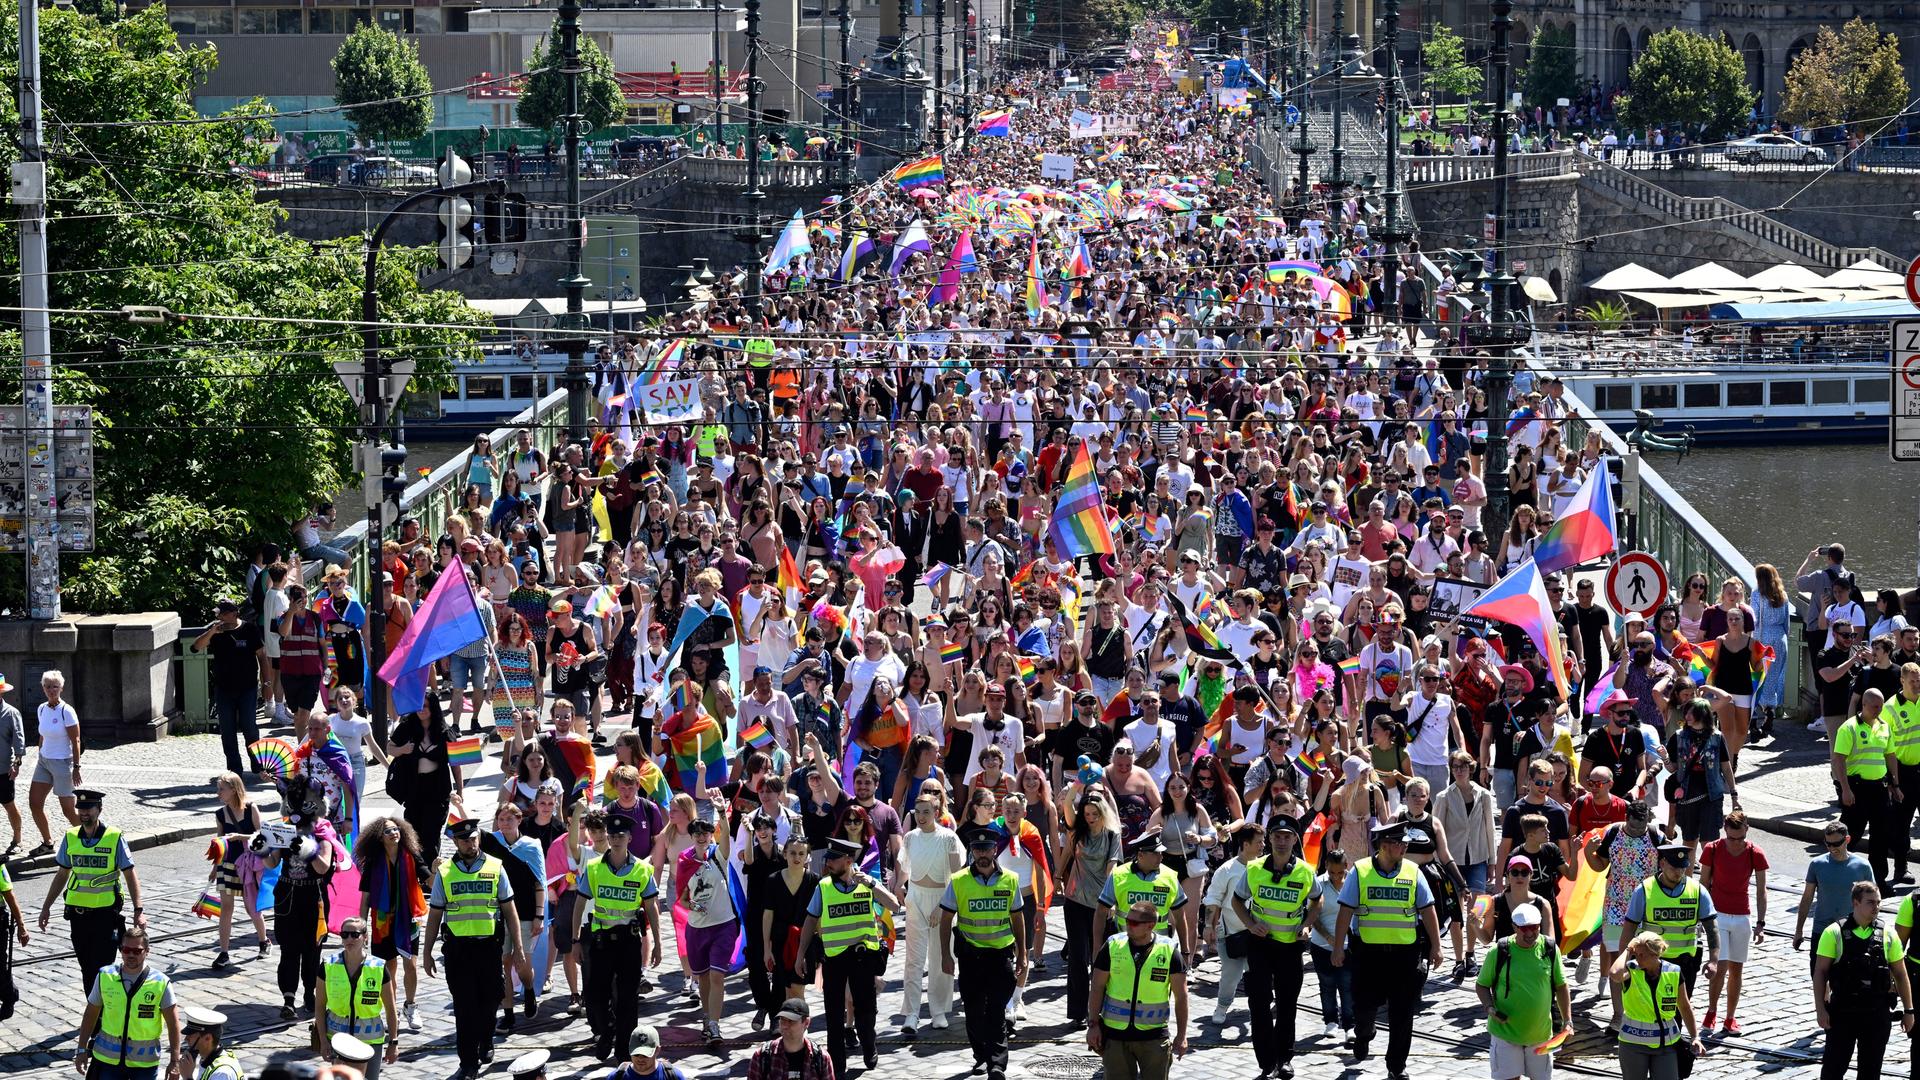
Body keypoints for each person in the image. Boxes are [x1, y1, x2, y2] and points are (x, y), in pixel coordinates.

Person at [1332, 820, 1445, 1080]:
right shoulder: (1360, 871)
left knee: (1403, 1013)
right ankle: (1364, 1033)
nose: (1404, 847)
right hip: (1367, 954)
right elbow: (1345, 912)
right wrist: (1339, 947)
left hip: (1404, 955)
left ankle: (1396, 1066)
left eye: (1406, 843)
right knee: (1363, 1007)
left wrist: (1436, 947)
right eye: (1399, 843)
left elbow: (1428, 911)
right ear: (1384, 846)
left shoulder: (1413, 872)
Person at [423, 818, 523, 1079]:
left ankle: (486, 1038)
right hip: (458, 951)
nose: (471, 843)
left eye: (474, 838)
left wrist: (519, 948)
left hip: (489, 949)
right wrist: (427, 952)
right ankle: (467, 1063)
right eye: (465, 839)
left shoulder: (495, 866)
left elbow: (509, 909)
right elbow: (434, 915)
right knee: (465, 1007)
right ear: (455, 842)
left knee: (491, 1000)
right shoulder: (445, 872)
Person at [794, 835, 900, 1078]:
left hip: (864, 959)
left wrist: (873, 885)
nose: (828, 863)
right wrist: (801, 954)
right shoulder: (824, 886)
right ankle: (837, 1065)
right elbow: (810, 921)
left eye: (834, 859)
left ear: (849, 860)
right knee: (833, 1014)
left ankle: (869, 1044)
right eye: (828, 858)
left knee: (865, 1011)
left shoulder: (867, 883)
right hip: (834, 959)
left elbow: (895, 906)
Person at [1230, 816, 1321, 1080]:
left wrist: (1307, 925)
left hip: (1290, 948)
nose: (1282, 842)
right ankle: (1266, 1063)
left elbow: (1318, 900)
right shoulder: (1255, 868)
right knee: (1258, 1004)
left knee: (1286, 1005)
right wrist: (1249, 924)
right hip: (1260, 945)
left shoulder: (1305, 871)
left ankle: (1284, 1059)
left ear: (1295, 840)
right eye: (1277, 836)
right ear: (1269, 839)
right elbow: (1237, 901)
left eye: (1287, 836)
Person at [570, 811, 662, 1062]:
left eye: (621, 835)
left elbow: (652, 907)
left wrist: (657, 943)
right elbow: (579, 904)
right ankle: (607, 1029)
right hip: (600, 940)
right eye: (612, 835)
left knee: (627, 999)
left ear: (630, 838)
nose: (616, 839)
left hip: (629, 941)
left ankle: (623, 1051)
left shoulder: (643, 869)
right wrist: (576, 940)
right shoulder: (593, 868)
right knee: (595, 996)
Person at [939, 832, 1028, 1080]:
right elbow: (946, 919)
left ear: (994, 851)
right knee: (975, 1011)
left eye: (986, 849)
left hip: (1001, 957)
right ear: (971, 851)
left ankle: (997, 1065)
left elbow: (1017, 917)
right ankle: (981, 1056)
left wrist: (1022, 953)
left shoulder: (1010, 879)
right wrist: (946, 955)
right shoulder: (958, 881)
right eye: (977, 849)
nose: (981, 854)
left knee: (997, 1011)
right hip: (971, 957)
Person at [36, 787, 144, 991]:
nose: (84, 813)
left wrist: (138, 910)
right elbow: (62, 875)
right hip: (78, 916)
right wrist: (46, 907)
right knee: (86, 967)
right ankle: (95, 1014)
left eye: (89, 808)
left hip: (106, 915)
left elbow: (130, 874)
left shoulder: (114, 837)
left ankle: (102, 1013)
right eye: (81, 809)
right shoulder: (71, 837)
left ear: (99, 809)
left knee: (102, 968)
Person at [1814, 880, 1915, 1080]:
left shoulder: (1887, 934)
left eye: (1878, 902)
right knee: (1834, 1069)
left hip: (1877, 1014)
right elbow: (1820, 973)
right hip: (1843, 1012)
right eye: (1870, 902)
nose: (1876, 907)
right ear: (1856, 903)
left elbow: (1901, 974)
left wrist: (1909, 1010)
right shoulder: (1834, 933)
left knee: (1871, 1072)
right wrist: (1821, 1009)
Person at [1087, 898, 1191, 1080]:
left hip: (1153, 1038)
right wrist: (1093, 1025)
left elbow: (1181, 997)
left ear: (1150, 925)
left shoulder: (1169, 952)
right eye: (1127, 920)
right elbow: (1097, 987)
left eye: (1134, 923)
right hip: (1115, 1037)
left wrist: (1182, 1036)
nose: (1128, 925)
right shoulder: (1112, 946)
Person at [1476, 903, 1569, 1080]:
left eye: (1534, 928)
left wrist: (1568, 1021)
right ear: (1514, 927)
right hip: (1505, 1033)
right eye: (1524, 928)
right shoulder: (1498, 951)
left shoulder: (1549, 949)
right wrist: (1489, 1008)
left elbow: (1561, 986)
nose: (1529, 933)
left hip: (1540, 1034)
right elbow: (1481, 985)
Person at [73, 926, 178, 1080]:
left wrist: (175, 1061)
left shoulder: (160, 982)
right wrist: (81, 1049)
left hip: (144, 1064)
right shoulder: (105, 976)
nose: (130, 954)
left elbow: (173, 1024)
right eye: (126, 950)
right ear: (120, 949)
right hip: (107, 1060)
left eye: (137, 951)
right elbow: (90, 1014)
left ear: (147, 951)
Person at [899, 790, 963, 1035]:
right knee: (914, 960)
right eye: (918, 812)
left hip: (941, 900)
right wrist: (900, 886)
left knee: (940, 957)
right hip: (916, 899)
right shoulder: (911, 838)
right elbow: (905, 869)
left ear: (936, 812)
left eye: (927, 812)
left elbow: (956, 876)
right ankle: (912, 1013)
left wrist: (942, 906)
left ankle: (938, 1011)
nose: (922, 816)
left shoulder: (948, 838)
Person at [1697, 810, 1767, 1034]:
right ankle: (1711, 1011)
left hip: (1741, 916)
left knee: (1737, 970)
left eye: (1740, 838)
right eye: (1731, 838)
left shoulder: (1755, 852)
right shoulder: (1713, 849)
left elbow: (1762, 891)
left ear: (1746, 830)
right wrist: (1701, 918)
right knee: (1720, 966)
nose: (1735, 843)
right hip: (1718, 916)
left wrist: (1761, 922)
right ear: (1725, 832)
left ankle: (1730, 1017)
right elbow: (1703, 884)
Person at [1621, 843, 1718, 997]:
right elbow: (1629, 927)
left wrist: (1713, 960)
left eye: (1682, 868)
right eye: (1674, 868)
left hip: (1685, 962)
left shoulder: (1698, 891)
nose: (1679, 872)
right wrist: (1623, 960)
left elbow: (1712, 928)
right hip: (1651, 961)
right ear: (1662, 864)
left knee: (1680, 1011)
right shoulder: (1644, 890)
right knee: (1651, 1011)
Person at [1610, 931, 1705, 1080]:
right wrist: (1628, 950)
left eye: (1642, 955)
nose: (1638, 958)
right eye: (1637, 954)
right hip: (1633, 1044)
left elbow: (1685, 1006)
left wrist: (1695, 1037)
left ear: (1655, 955)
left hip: (1666, 1045)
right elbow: (1615, 974)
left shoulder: (1673, 972)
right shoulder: (1631, 970)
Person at [315, 915, 399, 1077]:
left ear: (365, 937)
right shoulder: (328, 965)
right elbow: (319, 1006)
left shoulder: (378, 968)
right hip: (338, 1039)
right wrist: (323, 1041)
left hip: (370, 1039)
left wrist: (393, 1042)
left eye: (355, 934)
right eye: (345, 935)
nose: (349, 939)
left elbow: (391, 1009)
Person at [192, 600, 266, 778]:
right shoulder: (215, 630)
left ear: (234, 613)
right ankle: (235, 769)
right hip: (224, 689)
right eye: (217, 614)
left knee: (250, 728)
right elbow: (195, 647)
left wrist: (267, 684)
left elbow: (262, 657)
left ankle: (257, 764)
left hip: (247, 688)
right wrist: (211, 632)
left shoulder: (249, 630)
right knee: (227, 731)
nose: (218, 617)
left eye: (222, 614)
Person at [1833, 687, 1897, 886]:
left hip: (1879, 788)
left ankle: (1878, 881)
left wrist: (1895, 784)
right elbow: (1838, 760)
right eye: (1875, 706)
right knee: (1850, 834)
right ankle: (1838, 875)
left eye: (1881, 706)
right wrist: (1845, 789)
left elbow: (1890, 755)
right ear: (1864, 705)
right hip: (1857, 788)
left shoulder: (1884, 726)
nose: (1879, 710)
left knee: (1881, 836)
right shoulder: (1849, 727)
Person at [1093, 832, 1191, 956]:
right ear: (1140, 855)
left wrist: (1185, 951)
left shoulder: (1170, 876)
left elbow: (1180, 917)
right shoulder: (1118, 875)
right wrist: (1097, 949)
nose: (1161, 857)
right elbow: (1101, 912)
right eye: (1155, 853)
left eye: (1161, 853)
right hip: (1123, 947)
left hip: (1159, 949)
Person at [1796, 819, 1877, 964]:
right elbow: (1807, 898)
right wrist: (1798, 930)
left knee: (1848, 980)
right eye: (1828, 844)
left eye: (1836, 844)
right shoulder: (1817, 864)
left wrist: (1874, 931)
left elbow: (1873, 900)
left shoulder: (1862, 866)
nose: (1832, 848)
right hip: (1822, 930)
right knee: (1818, 976)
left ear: (1847, 840)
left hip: (1853, 931)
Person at [26, 668, 81, 857]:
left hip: (62, 763)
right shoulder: (42, 708)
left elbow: (76, 741)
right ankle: (48, 843)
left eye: (55, 687)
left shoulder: (67, 711)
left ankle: (90, 838)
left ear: (61, 688)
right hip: (44, 762)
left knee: (68, 810)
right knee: (34, 803)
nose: (51, 690)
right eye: (48, 687)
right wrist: (39, 752)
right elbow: (42, 734)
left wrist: (76, 767)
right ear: (43, 688)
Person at [745, 997, 835, 1080]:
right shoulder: (762, 1057)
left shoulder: (821, 1058)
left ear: (806, 1023)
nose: (785, 1025)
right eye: (782, 1019)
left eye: (791, 1021)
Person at [179, 1008, 241, 1080]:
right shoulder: (206, 1060)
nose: (186, 1039)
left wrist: (187, 1077)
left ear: (207, 1038)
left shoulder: (221, 1074)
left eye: (191, 1035)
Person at [610, 1025, 691, 1080]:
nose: (640, 1058)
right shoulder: (616, 1077)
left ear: (657, 1050)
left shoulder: (673, 1076)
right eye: (636, 1054)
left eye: (646, 1055)